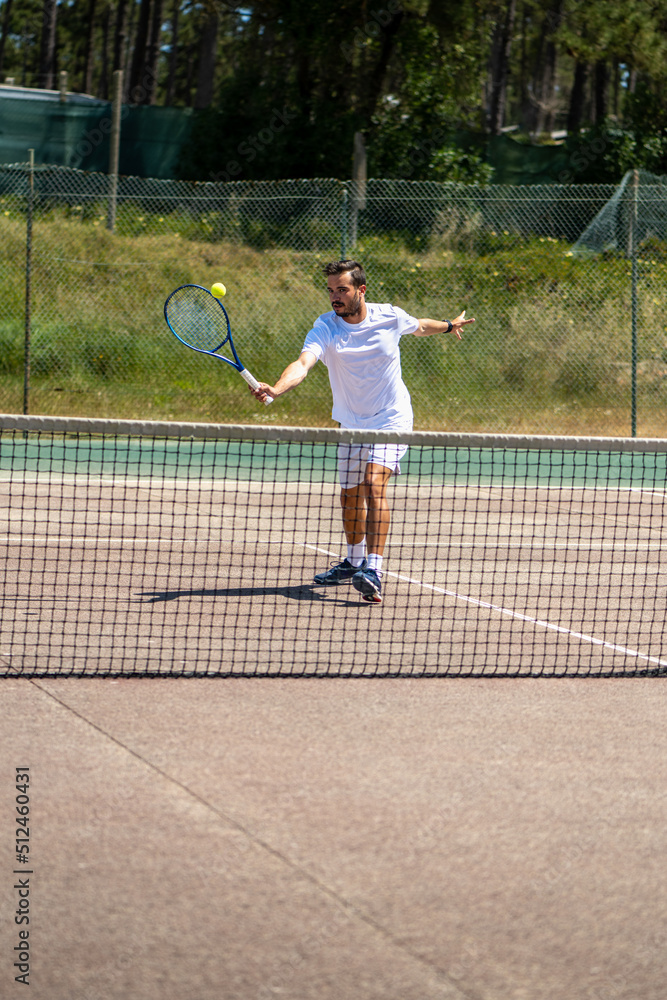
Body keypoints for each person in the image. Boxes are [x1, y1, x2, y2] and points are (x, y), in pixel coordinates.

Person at [250, 259, 474, 603]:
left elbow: (419, 326)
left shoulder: (389, 316)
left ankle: (374, 568)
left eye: (342, 290)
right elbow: (302, 364)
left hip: (391, 418)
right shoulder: (325, 327)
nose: (335, 297)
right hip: (351, 424)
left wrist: (447, 325)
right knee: (350, 496)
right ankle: (353, 562)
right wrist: (278, 389)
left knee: (373, 483)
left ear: (361, 290)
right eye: (330, 290)